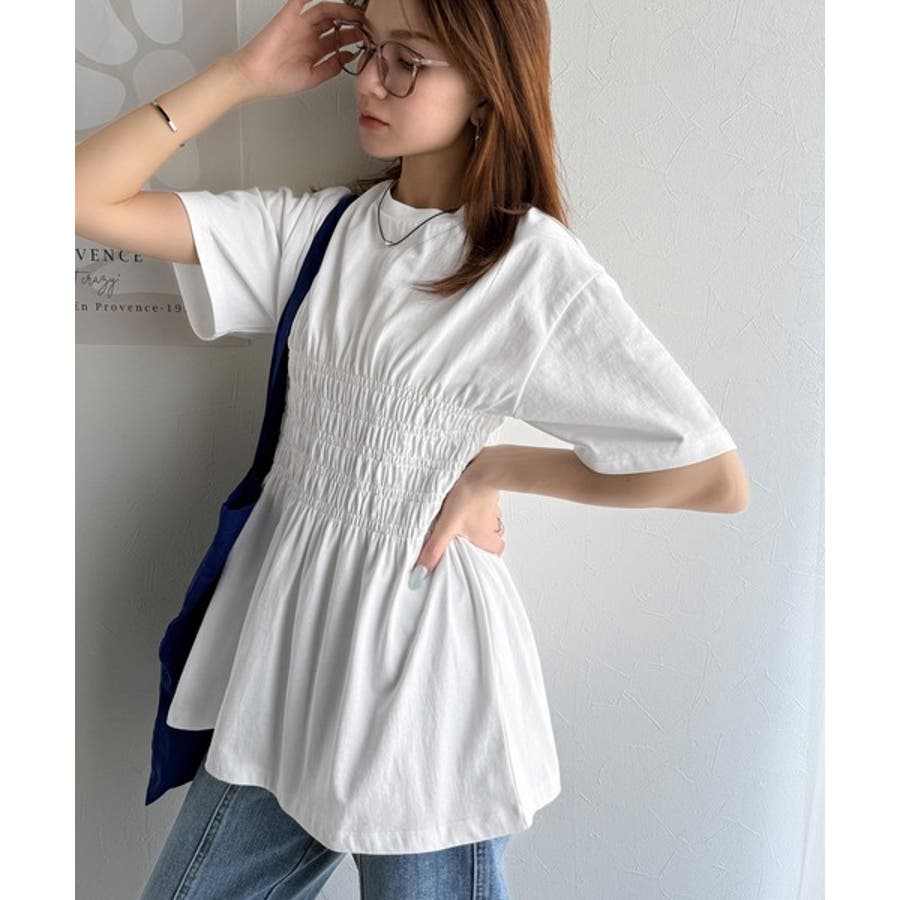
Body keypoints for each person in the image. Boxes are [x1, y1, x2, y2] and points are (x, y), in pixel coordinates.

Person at [75, 0, 749, 896]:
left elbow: (710, 474)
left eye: (409, 60)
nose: (371, 81)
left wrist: (500, 467)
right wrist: (243, 75)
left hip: (426, 684)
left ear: (487, 89)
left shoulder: (527, 267)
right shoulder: (319, 234)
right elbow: (79, 197)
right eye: (371, 50)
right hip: (287, 662)